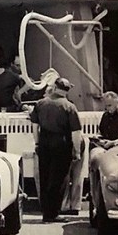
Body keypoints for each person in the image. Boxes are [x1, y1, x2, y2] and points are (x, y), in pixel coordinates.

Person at [29, 77, 82, 222]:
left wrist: (38, 143)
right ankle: (53, 213)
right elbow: (75, 132)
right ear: (66, 90)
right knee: (59, 180)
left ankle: (46, 214)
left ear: (54, 87)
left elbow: (34, 126)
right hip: (62, 143)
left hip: (44, 142)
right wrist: (76, 151)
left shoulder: (40, 103)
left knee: (45, 177)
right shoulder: (69, 106)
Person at [89, 92, 118, 166]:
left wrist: (112, 142)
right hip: (104, 145)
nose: (107, 108)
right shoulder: (105, 115)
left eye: (109, 105)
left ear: (116, 103)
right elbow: (101, 131)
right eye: (106, 106)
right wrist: (97, 137)